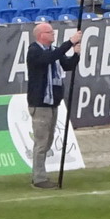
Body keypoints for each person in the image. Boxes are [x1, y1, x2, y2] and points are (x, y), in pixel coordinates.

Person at [25, 22, 82, 189]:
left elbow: (67, 65)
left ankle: (40, 173)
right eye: (50, 32)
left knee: (48, 141)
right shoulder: (34, 51)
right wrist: (70, 42)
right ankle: (38, 178)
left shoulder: (54, 51)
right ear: (41, 35)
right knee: (41, 142)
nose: (53, 34)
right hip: (40, 103)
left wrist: (76, 54)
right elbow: (48, 59)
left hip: (53, 103)